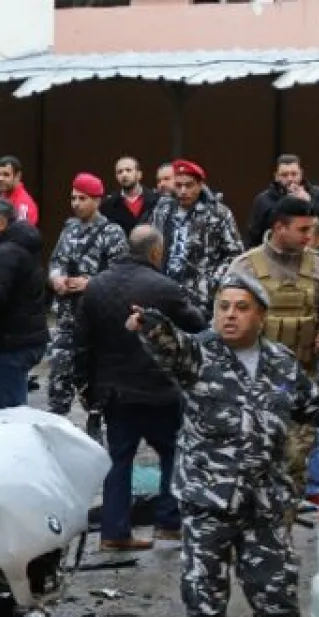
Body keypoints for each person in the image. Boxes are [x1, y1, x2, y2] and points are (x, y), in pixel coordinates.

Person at [128, 275, 319, 617]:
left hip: (263, 501)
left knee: (277, 592)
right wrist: (149, 323)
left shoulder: (281, 362)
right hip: (207, 501)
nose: (229, 315)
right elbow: (169, 344)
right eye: (222, 306)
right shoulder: (199, 355)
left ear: (261, 315)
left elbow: (314, 407)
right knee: (204, 599)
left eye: (240, 307)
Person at [72, 225, 206, 552]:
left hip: (115, 392)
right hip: (160, 390)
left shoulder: (96, 287)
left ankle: (114, 532)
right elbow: (198, 326)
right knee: (174, 453)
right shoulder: (165, 287)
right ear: (157, 252)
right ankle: (169, 523)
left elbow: (81, 343)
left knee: (119, 460)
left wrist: (84, 385)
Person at [225, 195, 319, 509]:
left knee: (292, 469)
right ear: (279, 227)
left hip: (300, 385)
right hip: (252, 390)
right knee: (249, 469)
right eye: (302, 229)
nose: (309, 237)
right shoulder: (244, 266)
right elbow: (222, 323)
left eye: (311, 230)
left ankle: (281, 534)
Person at [46, 173, 128, 417]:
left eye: (82, 198)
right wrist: (56, 278)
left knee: (94, 383)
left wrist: (89, 283)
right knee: (59, 375)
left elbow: (121, 274)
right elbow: (56, 260)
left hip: (94, 320)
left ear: (97, 200)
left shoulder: (112, 232)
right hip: (66, 317)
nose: (76, 203)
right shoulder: (69, 228)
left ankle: (96, 429)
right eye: (73, 198)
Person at [148, 159, 244, 316]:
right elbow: (151, 243)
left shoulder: (217, 213)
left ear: (200, 185)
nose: (183, 191)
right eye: (178, 185)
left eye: (189, 185)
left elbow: (235, 254)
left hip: (201, 296)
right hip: (164, 289)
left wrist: (213, 281)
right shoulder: (162, 209)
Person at [0, 197, 48, 410]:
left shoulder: (6, 252)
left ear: (1, 223)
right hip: (21, 337)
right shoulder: (17, 246)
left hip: (16, 340)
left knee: (7, 401)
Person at [245, 154, 319, 248]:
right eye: (284, 175)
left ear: (301, 174)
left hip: (312, 254)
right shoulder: (263, 199)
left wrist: (309, 202)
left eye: (294, 174)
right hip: (275, 255)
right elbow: (253, 237)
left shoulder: (317, 194)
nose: (290, 179)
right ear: (276, 176)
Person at [100, 155, 155, 236]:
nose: (124, 174)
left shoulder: (156, 200)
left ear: (139, 174)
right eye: (120, 172)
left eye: (128, 170)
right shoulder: (107, 205)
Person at [0, 155, 39, 226]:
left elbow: (21, 235)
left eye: (6, 175)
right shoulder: (2, 198)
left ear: (18, 176)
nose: (0, 179)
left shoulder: (24, 205)